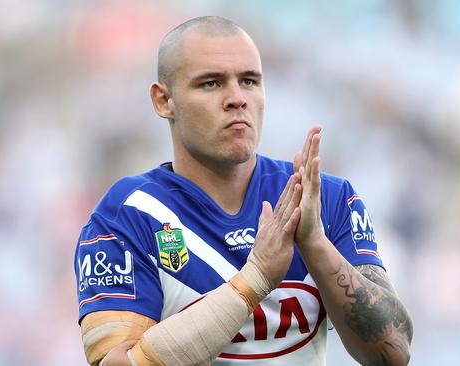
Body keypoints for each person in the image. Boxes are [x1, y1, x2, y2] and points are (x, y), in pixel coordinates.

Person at [74, 16, 413, 366]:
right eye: (211, 83)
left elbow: (392, 352)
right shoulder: (128, 216)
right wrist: (254, 282)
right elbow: (117, 362)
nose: (237, 98)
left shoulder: (324, 199)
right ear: (164, 101)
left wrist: (314, 243)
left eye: (249, 81)